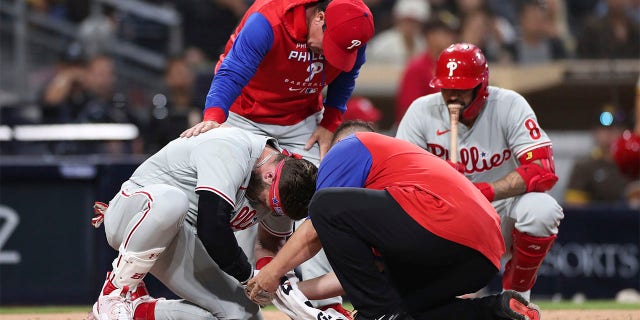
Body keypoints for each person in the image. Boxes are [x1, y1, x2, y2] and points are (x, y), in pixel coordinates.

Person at [180, 0, 375, 312]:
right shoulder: (268, 21)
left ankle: (326, 305)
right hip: (243, 115)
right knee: (237, 209)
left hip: (300, 120)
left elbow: (346, 78)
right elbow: (231, 71)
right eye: (331, 46)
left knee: (323, 202)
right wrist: (215, 119)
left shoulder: (352, 33)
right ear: (319, 18)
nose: (330, 57)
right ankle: (236, 306)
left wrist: (331, 121)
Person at [248, 121, 542, 320]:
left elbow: (314, 230)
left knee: (326, 205)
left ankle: (379, 316)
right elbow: (360, 278)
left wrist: (272, 272)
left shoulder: (346, 149)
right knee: (398, 309)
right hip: (480, 257)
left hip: (447, 225)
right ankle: (497, 310)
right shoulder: (384, 209)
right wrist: (285, 290)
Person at [89, 125, 317, 320]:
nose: (267, 210)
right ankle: (114, 293)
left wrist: (275, 281)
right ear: (269, 176)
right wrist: (249, 276)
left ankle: (140, 311)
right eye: (269, 203)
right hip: (133, 215)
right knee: (172, 202)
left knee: (243, 314)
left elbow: (271, 245)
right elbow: (213, 228)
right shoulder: (232, 148)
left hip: (179, 234)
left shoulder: (285, 189)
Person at [395, 43, 564, 302]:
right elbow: (399, 181)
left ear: (481, 86)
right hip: (446, 216)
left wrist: (484, 191)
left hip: (500, 213)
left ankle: (517, 296)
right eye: (446, 87)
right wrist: (437, 180)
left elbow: (542, 170)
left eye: (461, 88)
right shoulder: (421, 111)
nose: (452, 95)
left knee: (542, 210)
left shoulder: (509, 105)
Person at [394, 16, 458, 127]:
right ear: (430, 36)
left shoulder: (454, 66)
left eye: (451, 34)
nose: (450, 38)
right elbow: (408, 110)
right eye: (444, 33)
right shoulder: (417, 67)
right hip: (422, 133)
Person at [564, 105, 631, 206]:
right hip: (593, 220)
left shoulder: (633, 165)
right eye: (604, 130)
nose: (610, 134)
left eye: (617, 129)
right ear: (595, 132)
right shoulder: (584, 167)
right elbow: (573, 208)